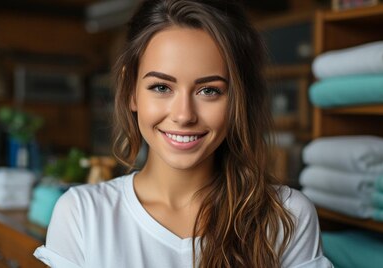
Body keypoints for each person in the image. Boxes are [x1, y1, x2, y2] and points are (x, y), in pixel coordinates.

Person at [34, 0, 332, 267]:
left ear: (239, 100)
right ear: (131, 92)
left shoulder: (287, 216)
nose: (184, 115)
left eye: (209, 90)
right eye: (161, 87)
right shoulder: (83, 215)